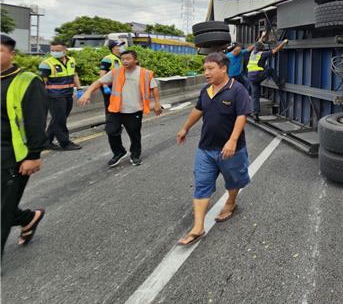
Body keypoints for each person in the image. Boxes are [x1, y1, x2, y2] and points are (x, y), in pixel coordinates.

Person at [176, 52, 252, 246]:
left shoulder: (238, 90)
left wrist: (233, 140)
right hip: (206, 148)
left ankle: (230, 202)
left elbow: (242, 115)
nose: (206, 73)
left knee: (234, 180)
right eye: (205, 69)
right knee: (202, 183)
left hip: (231, 150)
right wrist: (185, 127)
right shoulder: (206, 90)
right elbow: (198, 110)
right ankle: (198, 227)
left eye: (210, 68)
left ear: (223, 68)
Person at [1, 34, 49, 256]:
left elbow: (36, 120)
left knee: (2, 209)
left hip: (11, 155)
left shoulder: (27, 80)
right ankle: (28, 218)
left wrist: (34, 154)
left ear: (12, 54)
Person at [79, 50, 161, 167]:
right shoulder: (116, 72)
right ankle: (119, 152)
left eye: (128, 58)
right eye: (123, 59)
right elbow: (98, 82)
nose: (125, 61)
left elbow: (154, 88)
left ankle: (135, 155)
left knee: (134, 135)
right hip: (116, 109)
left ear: (136, 60)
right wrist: (87, 93)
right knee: (111, 131)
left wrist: (157, 103)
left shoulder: (145, 73)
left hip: (134, 110)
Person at [38, 40, 82, 150]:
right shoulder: (47, 63)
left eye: (57, 50)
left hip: (68, 94)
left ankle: (47, 141)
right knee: (60, 120)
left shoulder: (71, 60)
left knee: (58, 119)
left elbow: (74, 75)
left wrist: (79, 88)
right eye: (52, 50)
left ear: (65, 50)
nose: (54, 52)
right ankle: (65, 143)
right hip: (54, 96)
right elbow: (42, 81)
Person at [247, 37, 288, 121]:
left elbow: (257, 43)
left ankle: (255, 114)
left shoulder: (253, 53)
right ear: (262, 49)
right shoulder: (262, 54)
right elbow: (275, 50)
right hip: (257, 75)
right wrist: (283, 42)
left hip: (251, 76)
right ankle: (280, 84)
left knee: (255, 96)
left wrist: (262, 36)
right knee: (270, 70)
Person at [99, 40, 126, 115]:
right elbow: (102, 73)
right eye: (119, 46)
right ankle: (110, 125)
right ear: (113, 48)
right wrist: (105, 86)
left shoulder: (122, 58)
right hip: (109, 86)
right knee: (110, 106)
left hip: (119, 86)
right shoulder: (108, 58)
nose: (122, 47)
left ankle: (117, 124)